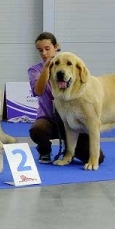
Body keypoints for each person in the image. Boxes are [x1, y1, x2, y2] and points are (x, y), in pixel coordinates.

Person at [28, 31, 104, 165]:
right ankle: (44, 151)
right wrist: (47, 68)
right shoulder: (35, 70)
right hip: (49, 120)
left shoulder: (70, 63)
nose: (44, 53)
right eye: (40, 50)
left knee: (98, 158)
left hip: (73, 120)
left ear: (56, 47)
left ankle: (71, 150)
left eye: (47, 49)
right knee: (37, 130)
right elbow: (38, 91)